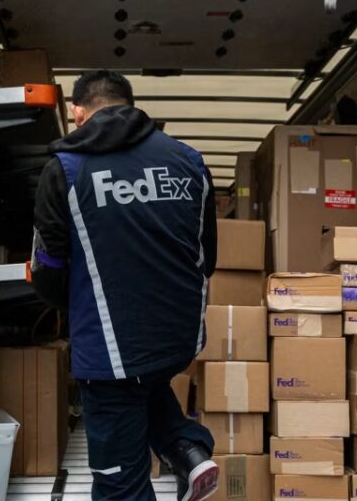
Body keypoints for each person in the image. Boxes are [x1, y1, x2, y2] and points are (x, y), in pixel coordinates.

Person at [32, 70, 219, 501]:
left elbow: (48, 271)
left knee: (120, 487)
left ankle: (182, 445)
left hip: (110, 351)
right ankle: (186, 448)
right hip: (177, 339)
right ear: (131, 106)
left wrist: (76, 308)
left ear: (77, 112)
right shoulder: (188, 160)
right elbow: (206, 256)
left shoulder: (64, 170)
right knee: (144, 382)